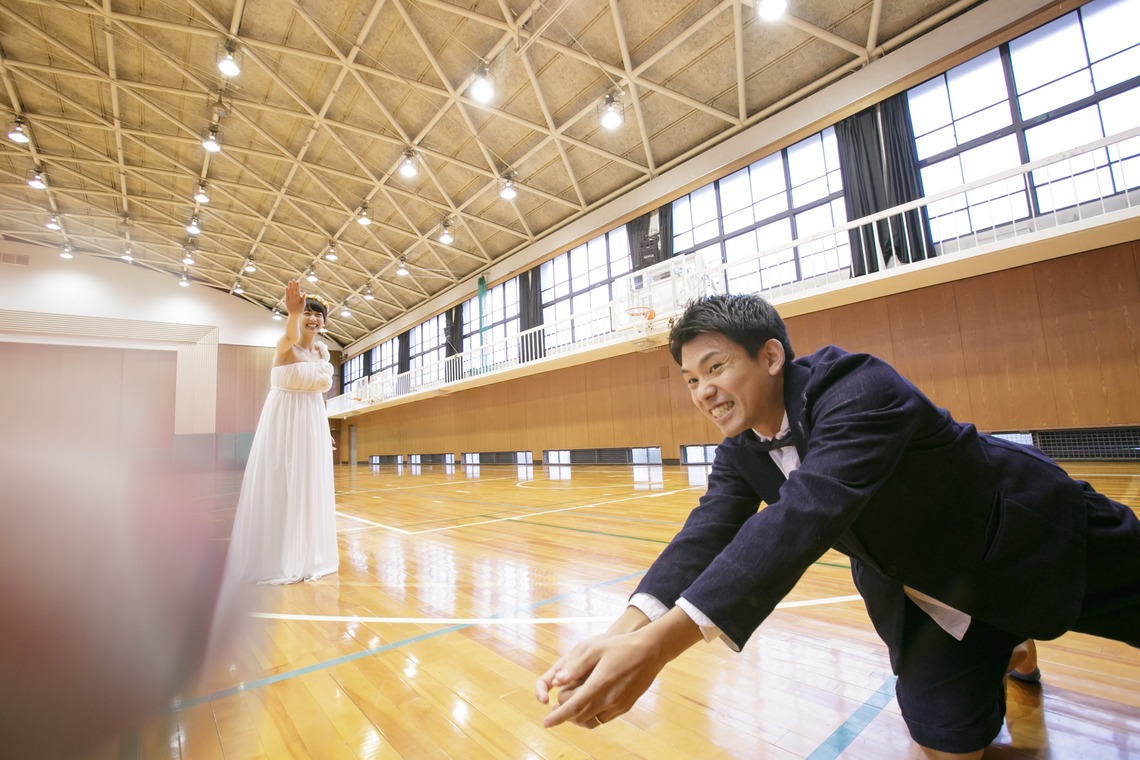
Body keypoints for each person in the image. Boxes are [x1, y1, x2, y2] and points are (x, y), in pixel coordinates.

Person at [535, 293, 1140, 758]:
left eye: (715, 367)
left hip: (1033, 535)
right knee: (947, 744)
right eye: (691, 380)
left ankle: (1017, 639)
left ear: (771, 356)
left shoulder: (856, 388)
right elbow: (709, 528)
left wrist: (656, 649)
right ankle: (1012, 645)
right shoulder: (742, 447)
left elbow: (804, 515)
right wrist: (625, 628)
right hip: (933, 599)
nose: (703, 391)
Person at [227, 279, 339, 584]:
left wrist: (324, 429)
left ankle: (306, 553)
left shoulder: (321, 354)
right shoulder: (285, 346)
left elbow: (318, 395)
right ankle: (281, 554)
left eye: (318, 315)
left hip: (312, 421)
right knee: (283, 480)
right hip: (285, 418)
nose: (313, 318)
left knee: (307, 483)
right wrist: (292, 313)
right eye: (307, 313)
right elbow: (290, 334)